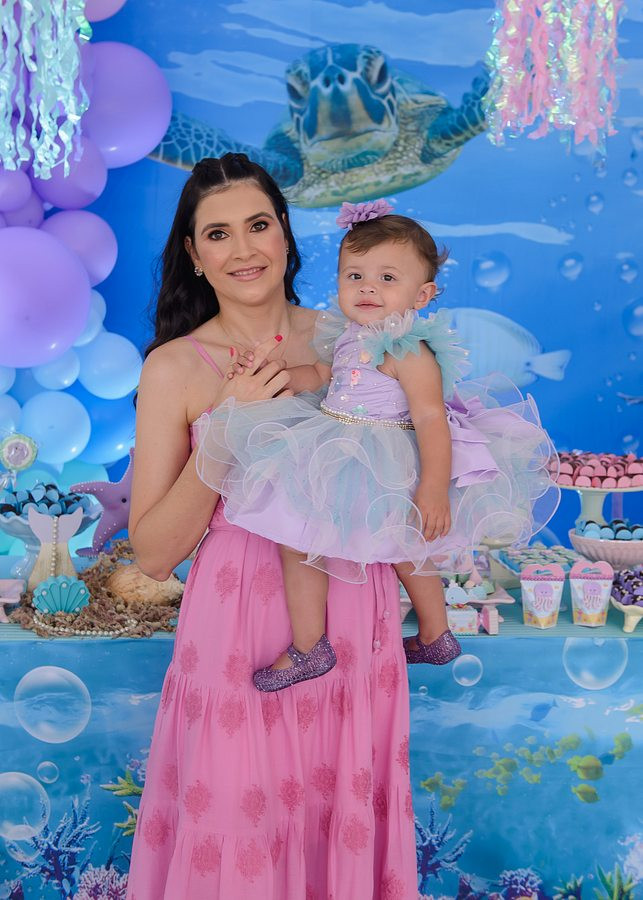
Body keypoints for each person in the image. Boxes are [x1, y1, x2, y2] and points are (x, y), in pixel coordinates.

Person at [126, 155, 418, 899]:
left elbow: (413, 460)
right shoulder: (174, 369)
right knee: (240, 827)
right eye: (217, 234)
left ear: (285, 233)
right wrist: (226, 430)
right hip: (236, 624)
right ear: (194, 255)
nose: (243, 249)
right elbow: (154, 553)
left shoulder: (356, 336)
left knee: (338, 813)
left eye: (258, 224)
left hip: (350, 605)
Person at [196, 200, 559, 693]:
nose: (368, 288)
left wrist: (433, 488)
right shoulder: (351, 334)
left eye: (387, 278)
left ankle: (414, 634)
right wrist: (279, 376)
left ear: (422, 294)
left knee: (391, 544)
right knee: (317, 539)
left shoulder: (410, 349)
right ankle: (354, 641)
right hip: (337, 442)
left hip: (382, 457)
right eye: (355, 276)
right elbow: (323, 375)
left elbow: (431, 417)